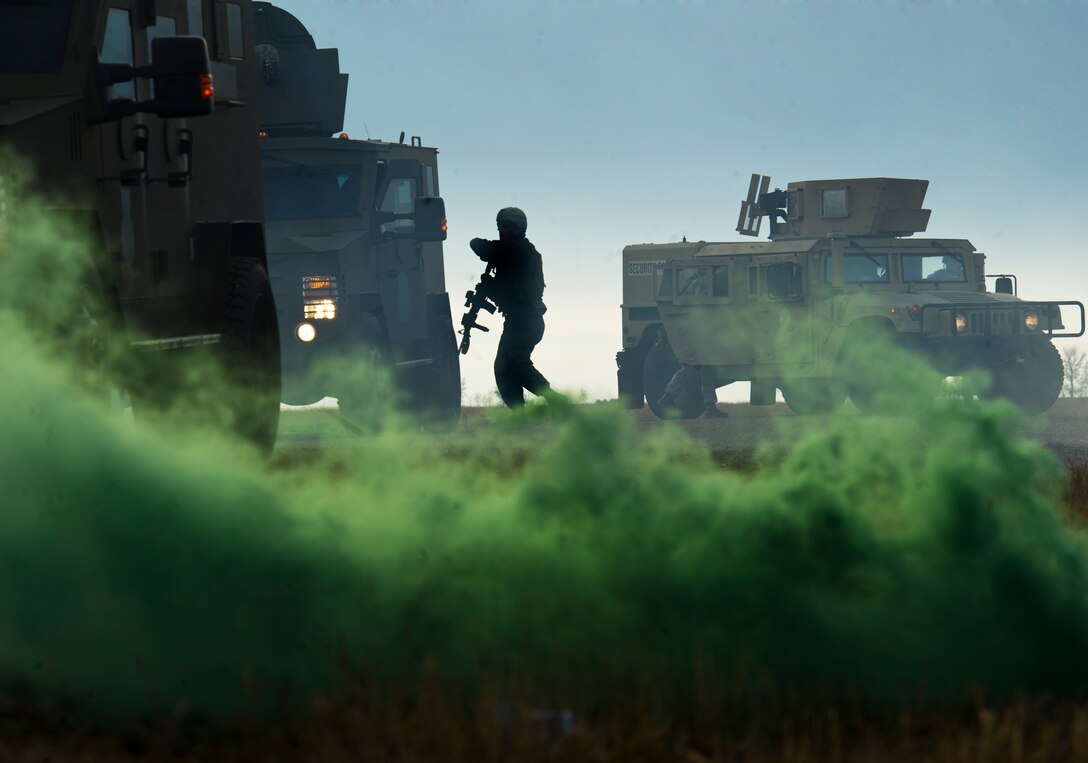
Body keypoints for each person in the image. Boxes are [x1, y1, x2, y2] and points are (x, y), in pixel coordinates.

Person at [470, 207, 559, 408]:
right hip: (523, 321)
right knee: (506, 366)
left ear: (520, 228)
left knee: (514, 366)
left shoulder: (515, 250)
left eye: (508, 226)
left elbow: (478, 246)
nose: (503, 230)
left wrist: (491, 285)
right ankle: (520, 413)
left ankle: (554, 400)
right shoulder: (522, 251)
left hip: (524, 321)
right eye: (500, 226)